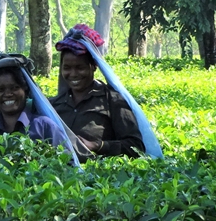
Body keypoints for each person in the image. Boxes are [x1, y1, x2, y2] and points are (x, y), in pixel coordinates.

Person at [49, 24, 145, 158]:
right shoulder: (54, 104)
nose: (73, 74)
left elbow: (136, 147)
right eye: (67, 68)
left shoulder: (112, 100)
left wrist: (98, 146)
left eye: (80, 67)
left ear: (93, 66)